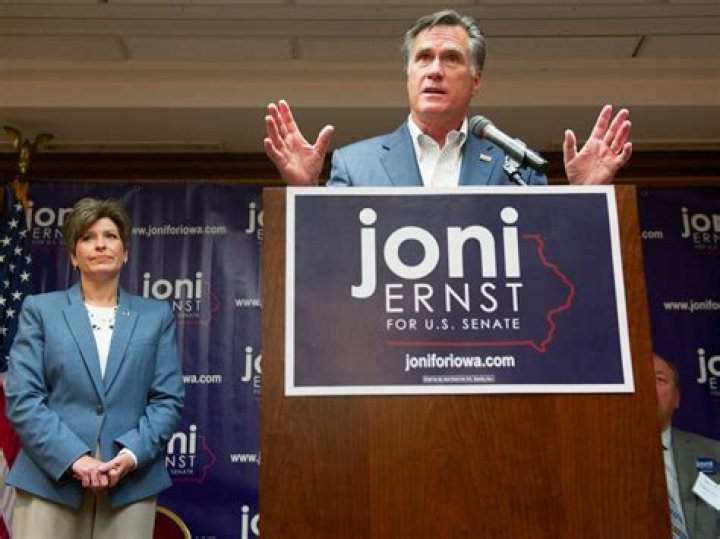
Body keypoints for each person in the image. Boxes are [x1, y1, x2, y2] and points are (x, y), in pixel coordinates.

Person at [264, 9, 633, 187]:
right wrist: (303, 192)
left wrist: (585, 196)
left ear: (475, 81)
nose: (435, 70)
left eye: (451, 59)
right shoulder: (355, 165)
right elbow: (327, 258)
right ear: (409, 74)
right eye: (423, 58)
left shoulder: (515, 164)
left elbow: (551, 252)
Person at [4, 197, 185, 538]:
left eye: (110, 236)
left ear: (125, 252)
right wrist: (75, 458)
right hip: (50, 481)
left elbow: (167, 399)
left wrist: (130, 456)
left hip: (130, 484)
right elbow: (23, 398)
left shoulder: (156, 316)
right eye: (88, 237)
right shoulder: (40, 310)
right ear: (74, 256)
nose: (100, 244)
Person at [654, 353, 720, 539]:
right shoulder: (601, 463)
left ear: (677, 398)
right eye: (640, 380)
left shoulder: (714, 453)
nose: (648, 388)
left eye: (659, 380)